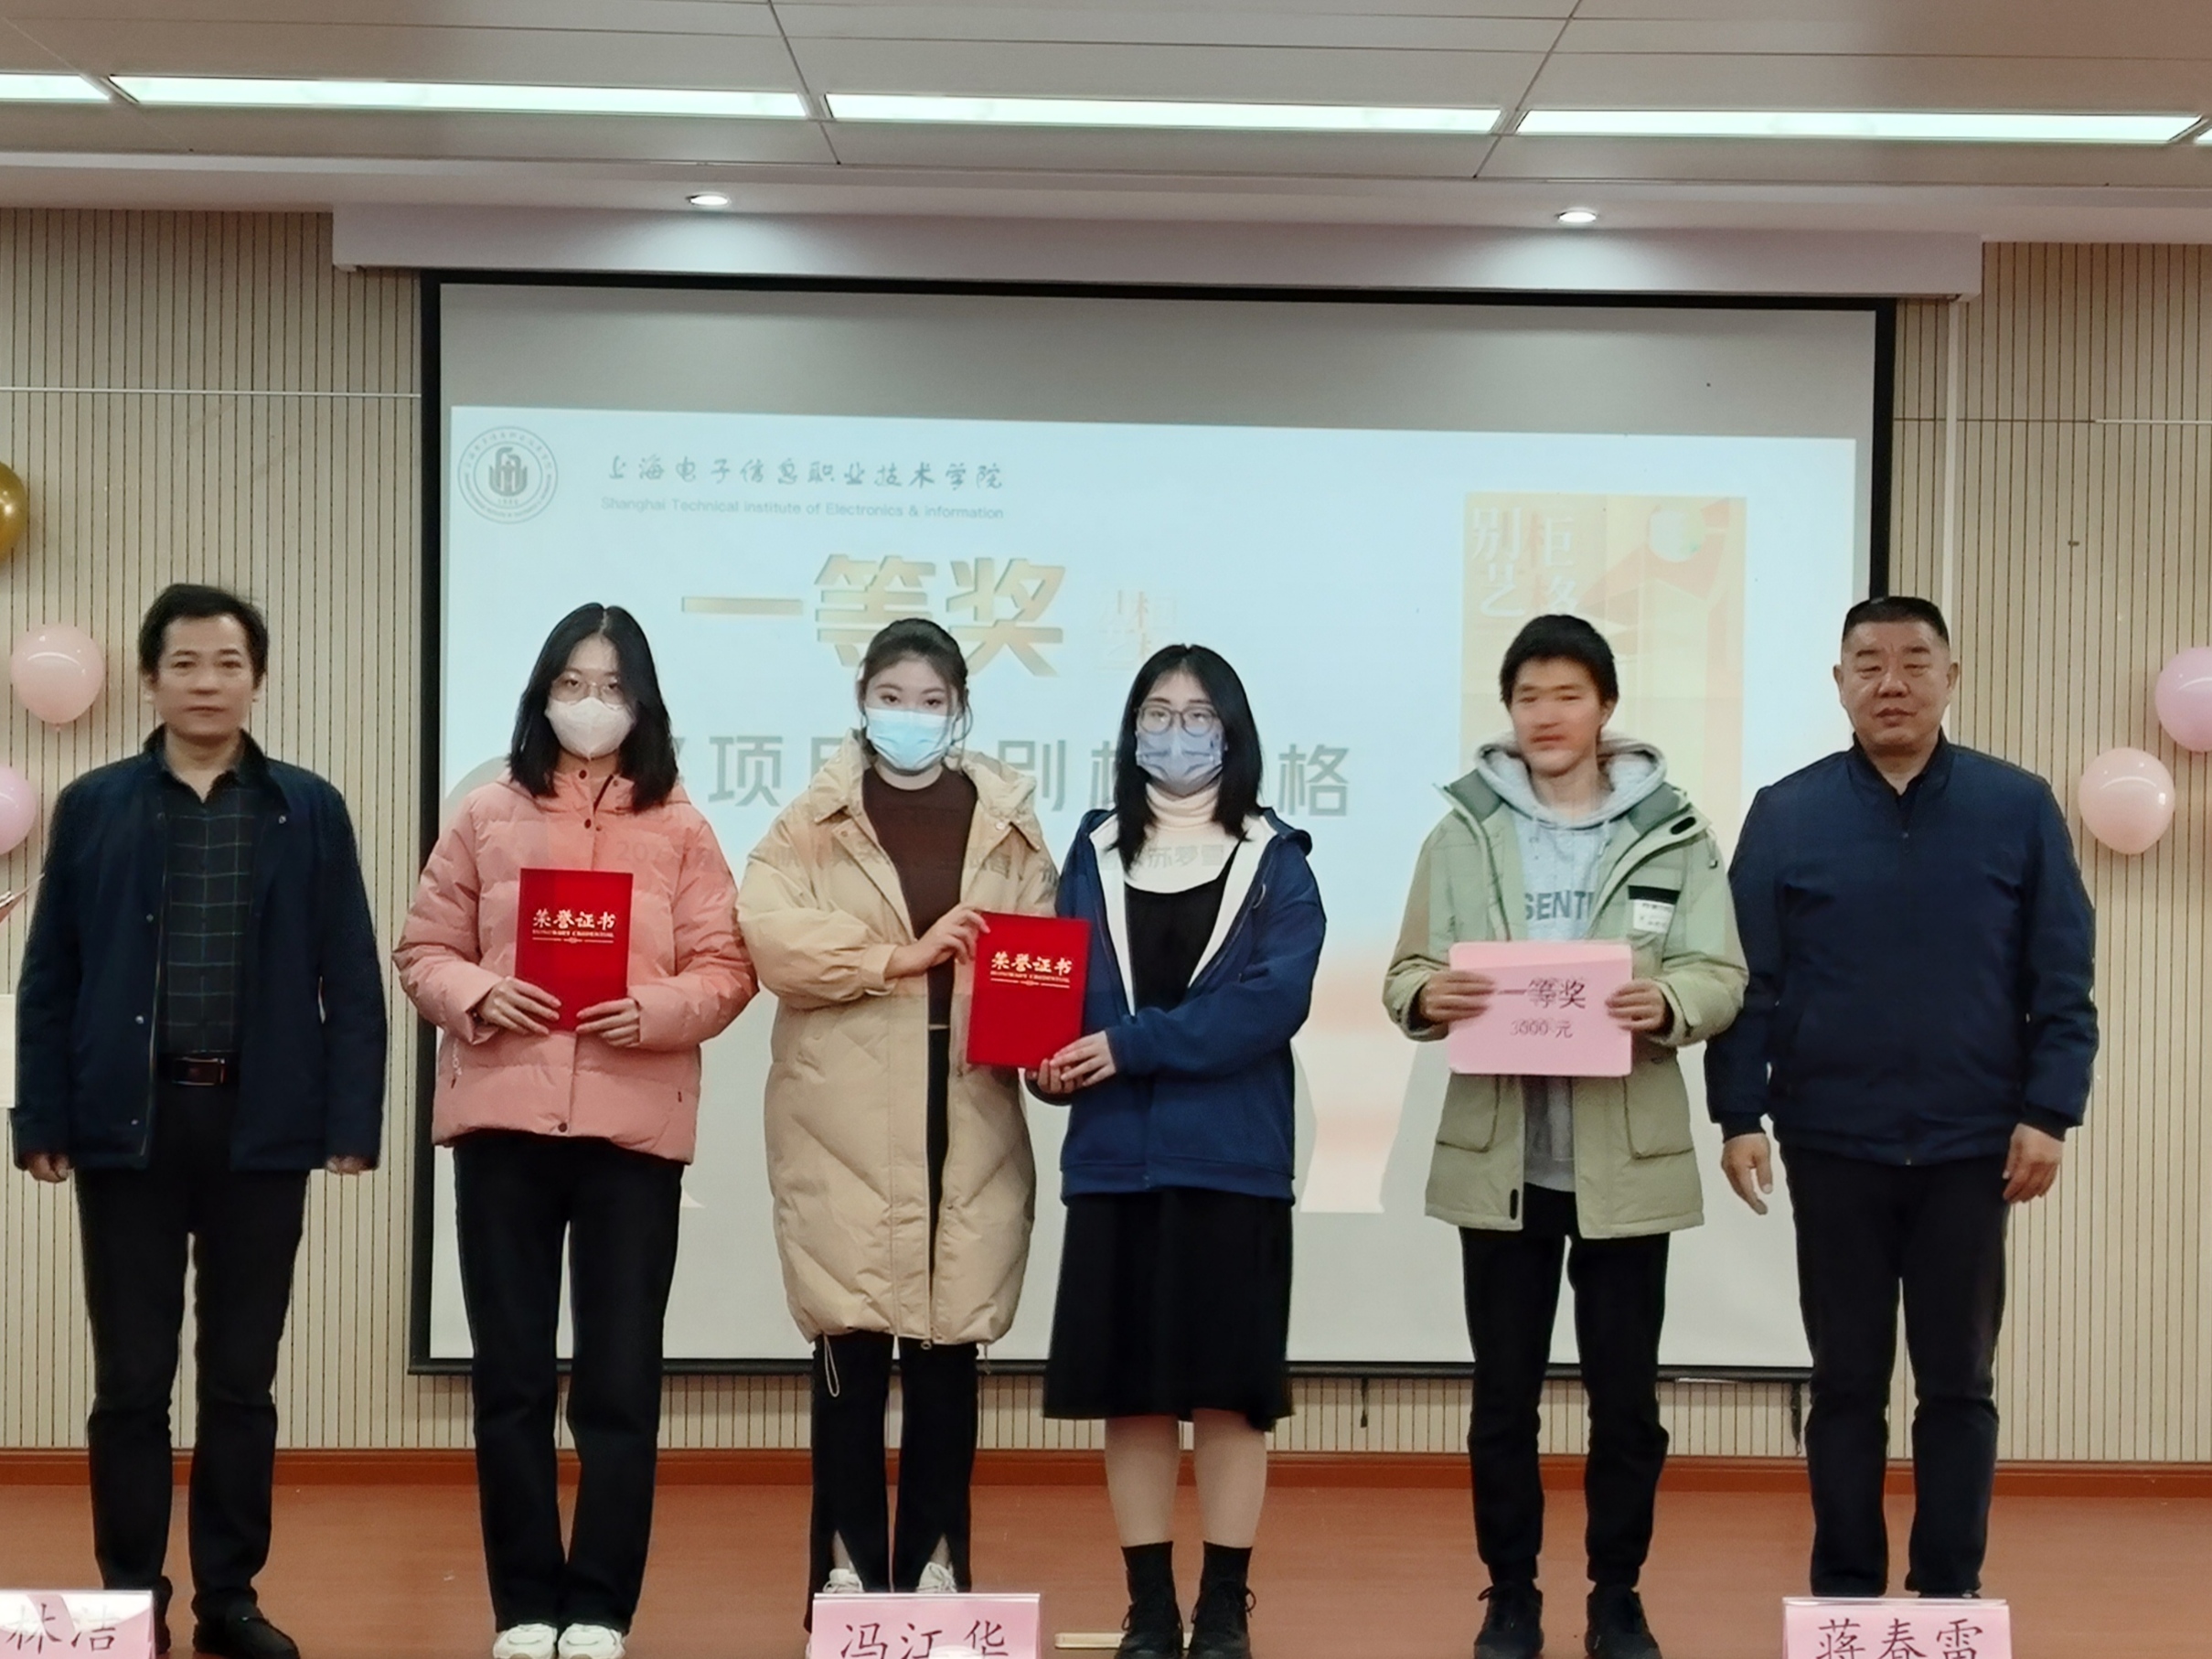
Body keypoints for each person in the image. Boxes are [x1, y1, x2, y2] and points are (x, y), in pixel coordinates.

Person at [11, 583, 387, 1659]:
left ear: (256, 678)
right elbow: (51, 976)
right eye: (185, 662)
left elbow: (351, 973)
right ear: (149, 679)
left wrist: (350, 1116)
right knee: (131, 1381)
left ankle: (231, 1596)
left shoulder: (309, 807)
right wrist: (42, 1115)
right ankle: (129, 1602)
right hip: (125, 1125)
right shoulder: (95, 804)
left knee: (241, 1378)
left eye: (228, 662)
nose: (207, 681)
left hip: (261, 1126)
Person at [1704, 594, 2096, 1600]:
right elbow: (1749, 980)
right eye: (1868, 663)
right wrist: (1738, 1114)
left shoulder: (2017, 806)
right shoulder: (1787, 813)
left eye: (1915, 662)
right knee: (1843, 1383)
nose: (1891, 682)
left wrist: (2049, 1111)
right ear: (1837, 682)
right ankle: (1844, 1591)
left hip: (1972, 1146)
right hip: (1832, 1141)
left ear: (1949, 679)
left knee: (1958, 1383)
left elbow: (2060, 977)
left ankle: (1947, 1591)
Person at [1382, 614, 1746, 1659]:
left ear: (1605, 707)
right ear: (1508, 710)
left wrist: (1666, 1001)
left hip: (1623, 1160)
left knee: (1624, 1400)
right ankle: (1510, 1594)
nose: (1546, 715)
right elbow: (1405, 973)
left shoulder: (1675, 831)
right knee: (1502, 1400)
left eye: (1567, 695)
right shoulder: (1460, 832)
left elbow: (1720, 972)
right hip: (1501, 1157)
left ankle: (1616, 1594)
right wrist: (1431, 994)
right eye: (1528, 696)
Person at [395, 604, 755, 1659]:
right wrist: (478, 991)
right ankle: (523, 1604)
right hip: (503, 1124)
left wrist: (658, 1008)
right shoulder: (486, 812)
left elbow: (726, 968)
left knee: (618, 1382)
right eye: (572, 683)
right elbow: (421, 948)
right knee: (509, 1380)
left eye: (611, 687)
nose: (590, 704)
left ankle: (599, 1603)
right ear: (541, 692)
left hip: (628, 1134)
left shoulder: (682, 826)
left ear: (642, 704)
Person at [741, 617, 1055, 1609]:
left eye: (930, 700)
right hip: (841, 1115)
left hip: (969, 1107)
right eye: (891, 697)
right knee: (851, 1343)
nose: (909, 716)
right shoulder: (810, 819)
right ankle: (843, 1575)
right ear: (861, 700)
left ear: (958, 707)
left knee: (949, 1352)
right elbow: (770, 937)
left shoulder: (1008, 823)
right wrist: (896, 957)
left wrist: (1047, 1042)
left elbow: (1041, 953)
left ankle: (935, 1571)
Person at [1034, 645, 1325, 1659]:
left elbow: (1269, 1004)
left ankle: (1225, 1607)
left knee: (1230, 1398)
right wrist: (1045, 1060)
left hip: (1231, 1160)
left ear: (1233, 733)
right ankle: (1151, 1608)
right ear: (1130, 732)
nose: (1176, 731)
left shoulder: (1277, 860)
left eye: (1198, 714)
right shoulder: (1092, 850)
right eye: (1156, 712)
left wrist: (1129, 1045)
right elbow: (1058, 991)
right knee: (1133, 1398)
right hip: (1115, 1160)